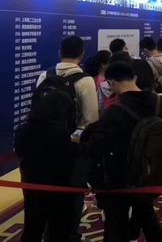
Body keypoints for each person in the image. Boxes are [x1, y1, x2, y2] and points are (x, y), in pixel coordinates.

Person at [81, 62, 162, 242]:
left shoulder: (114, 112)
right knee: (148, 219)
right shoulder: (158, 102)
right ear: (134, 77)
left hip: (120, 177)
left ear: (111, 82)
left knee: (116, 226)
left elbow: (95, 146)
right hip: (150, 172)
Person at [36, 36, 98, 241]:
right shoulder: (85, 80)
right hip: (72, 146)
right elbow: (90, 120)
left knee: (46, 190)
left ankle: (48, 232)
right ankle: (69, 234)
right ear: (82, 54)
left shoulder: (45, 75)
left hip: (45, 144)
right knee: (73, 193)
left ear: (59, 52)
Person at [15, 88, 77, 242]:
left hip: (32, 186)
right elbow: (68, 161)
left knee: (32, 226)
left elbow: (19, 153)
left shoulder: (23, 129)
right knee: (58, 230)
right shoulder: (61, 133)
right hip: (59, 189)